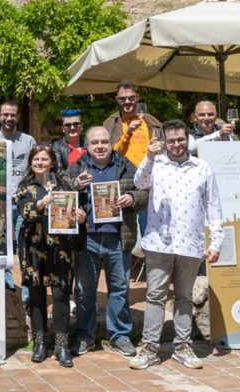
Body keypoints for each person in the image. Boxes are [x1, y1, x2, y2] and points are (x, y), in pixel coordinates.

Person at [129, 120, 223, 371]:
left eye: (181, 139)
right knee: (155, 296)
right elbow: (139, 182)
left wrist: (216, 241)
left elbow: (213, 206)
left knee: (184, 297)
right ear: (164, 142)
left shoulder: (202, 167)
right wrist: (149, 155)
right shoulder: (156, 165)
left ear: (187, 140)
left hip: (190, 244)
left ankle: (182, 346)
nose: (177, 144)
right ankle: (149, 347)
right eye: (171, 140)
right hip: (159, 243)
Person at [66, 127, 139, 357]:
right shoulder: (76, 167)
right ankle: (84, 335)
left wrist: (133, 198)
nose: (100, 146)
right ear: (87, 145)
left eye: (105, 142)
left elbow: (145, 191)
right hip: (87, 237)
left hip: (118, 237)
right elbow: (61, 191)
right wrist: (75, 186)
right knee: (85, 291)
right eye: (95, 142)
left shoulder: (126, 165)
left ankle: (120, 335)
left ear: (111, 143)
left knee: (119, 289)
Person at [15, 145, 84, 367]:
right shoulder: (25, 186)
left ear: (53, 162)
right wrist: (39, 204)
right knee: (36, 295)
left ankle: (62, 345)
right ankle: (40, 343)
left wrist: (79, 217)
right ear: (31, 163)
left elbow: (75, 211)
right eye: (37, 159)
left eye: (45, 159)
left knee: (61, 294)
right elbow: (25, 212)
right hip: (34, 246)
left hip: (60, 248)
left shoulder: (65, 185)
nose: (41, 163)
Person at [102, 82, 158, 230]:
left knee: (149, 229)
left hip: (148, 180)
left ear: (137, 98)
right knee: (125, 230)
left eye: (131, 98)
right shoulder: (110, 123)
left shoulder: (149, 121)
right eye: (123, 99)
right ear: (117, 100)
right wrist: (127, 133)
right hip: (124, 181)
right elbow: (107, 153)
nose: (127, 102)